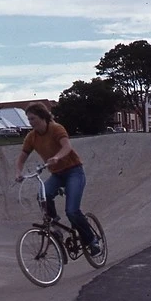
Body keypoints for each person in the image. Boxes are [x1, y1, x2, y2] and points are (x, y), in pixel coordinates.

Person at [14, 102, 101, 256]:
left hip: (74, 172)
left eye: (32, 118)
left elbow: (67, 146)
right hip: (57, 176)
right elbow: (22, 157)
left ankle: (92, 241)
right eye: (29, 119)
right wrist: (18, 172)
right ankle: (56, 227)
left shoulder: (56, 128)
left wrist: (56, 157)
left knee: (72, 211)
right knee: (43, 195)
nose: (30, 122)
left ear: (42, 117)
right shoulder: (31, 137)